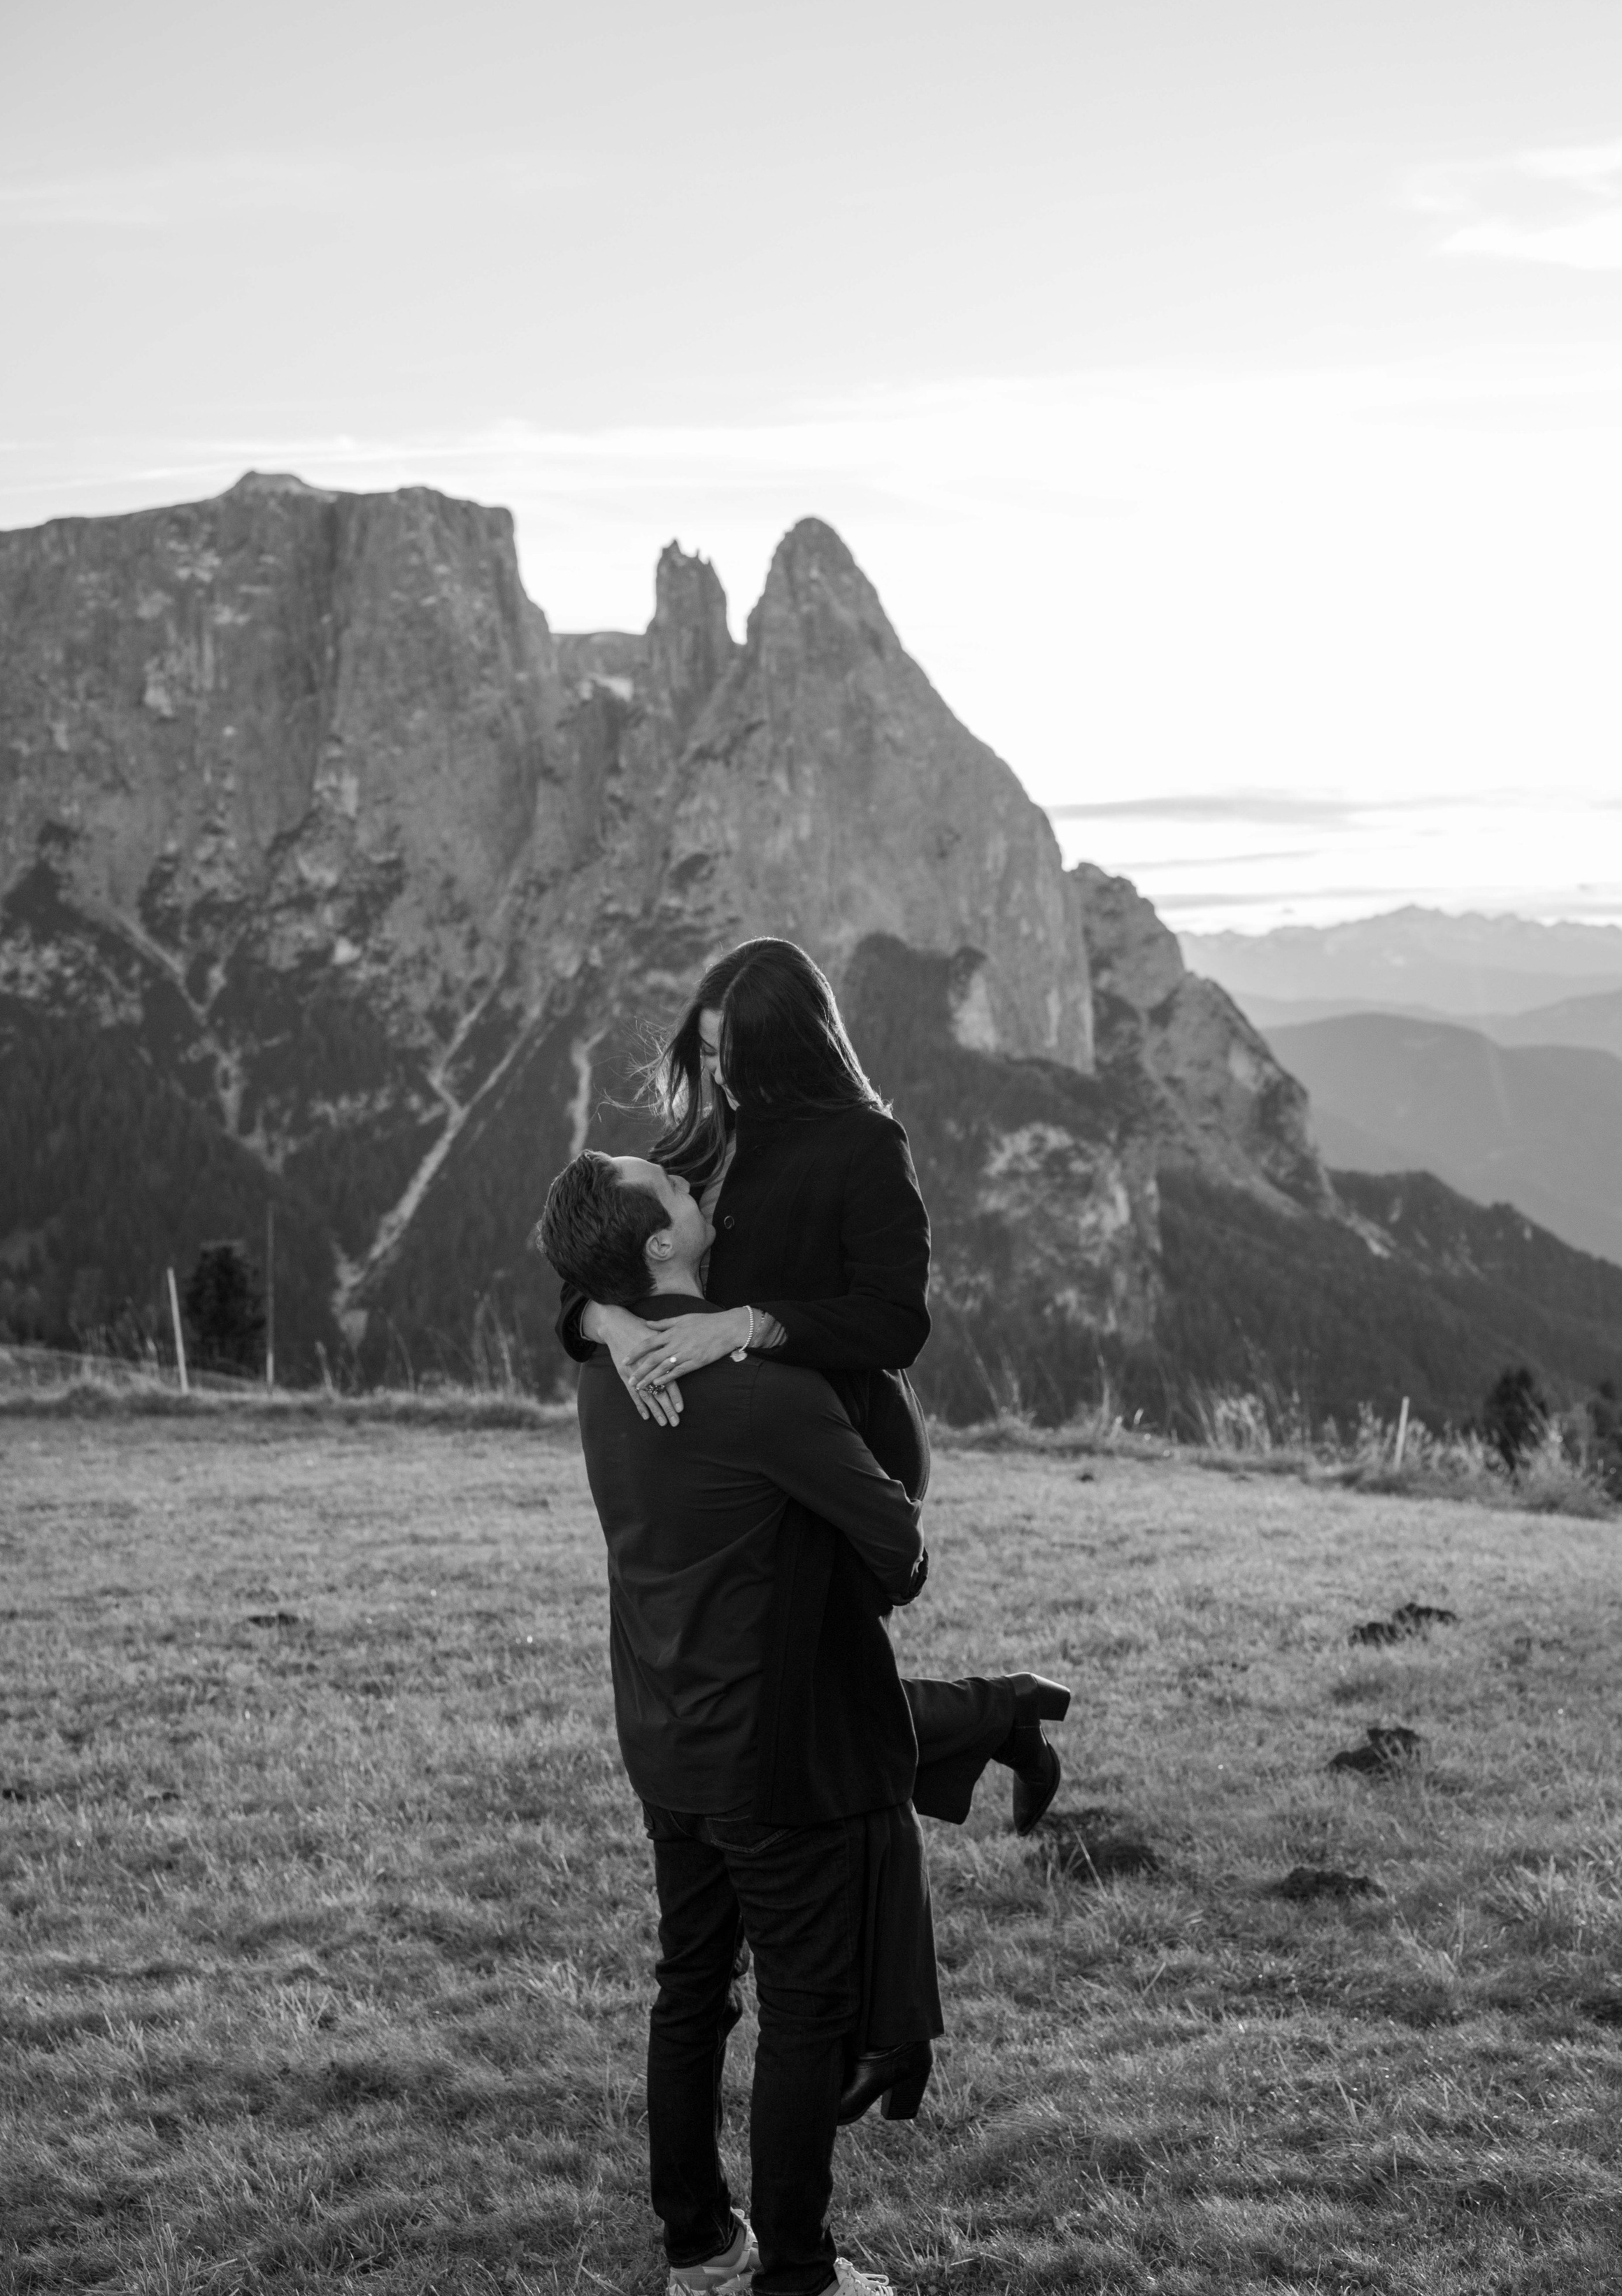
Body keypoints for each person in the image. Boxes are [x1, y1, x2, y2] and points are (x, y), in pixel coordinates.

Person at [555, 939, 1072, 1846]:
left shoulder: (865, 1147)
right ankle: (999, 1718)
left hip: (842, 1439)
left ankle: (971, 1743)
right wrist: (608, 1322)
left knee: (810, 1691)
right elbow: (599, 1256)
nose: (714, 1074)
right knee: (790, 1694)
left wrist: (748, 1323)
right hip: (735, 1453)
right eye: (706, 1052)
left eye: (734, 1057)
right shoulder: (694, 1145)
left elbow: (895, 1321)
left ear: (794, 1050)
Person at [537, 1143, 925, 2296]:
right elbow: (899, 1554)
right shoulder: (768, 1395)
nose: (703, 1191)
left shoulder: (607, 1368)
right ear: (662, 1243)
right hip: (769, 1754)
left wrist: (601, 1319)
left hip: (662, 1737)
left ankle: (700, 2249)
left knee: (692, 1989)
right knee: (806, 2010)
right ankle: (800, 2274)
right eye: (679, 1189)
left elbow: (583, 1305)